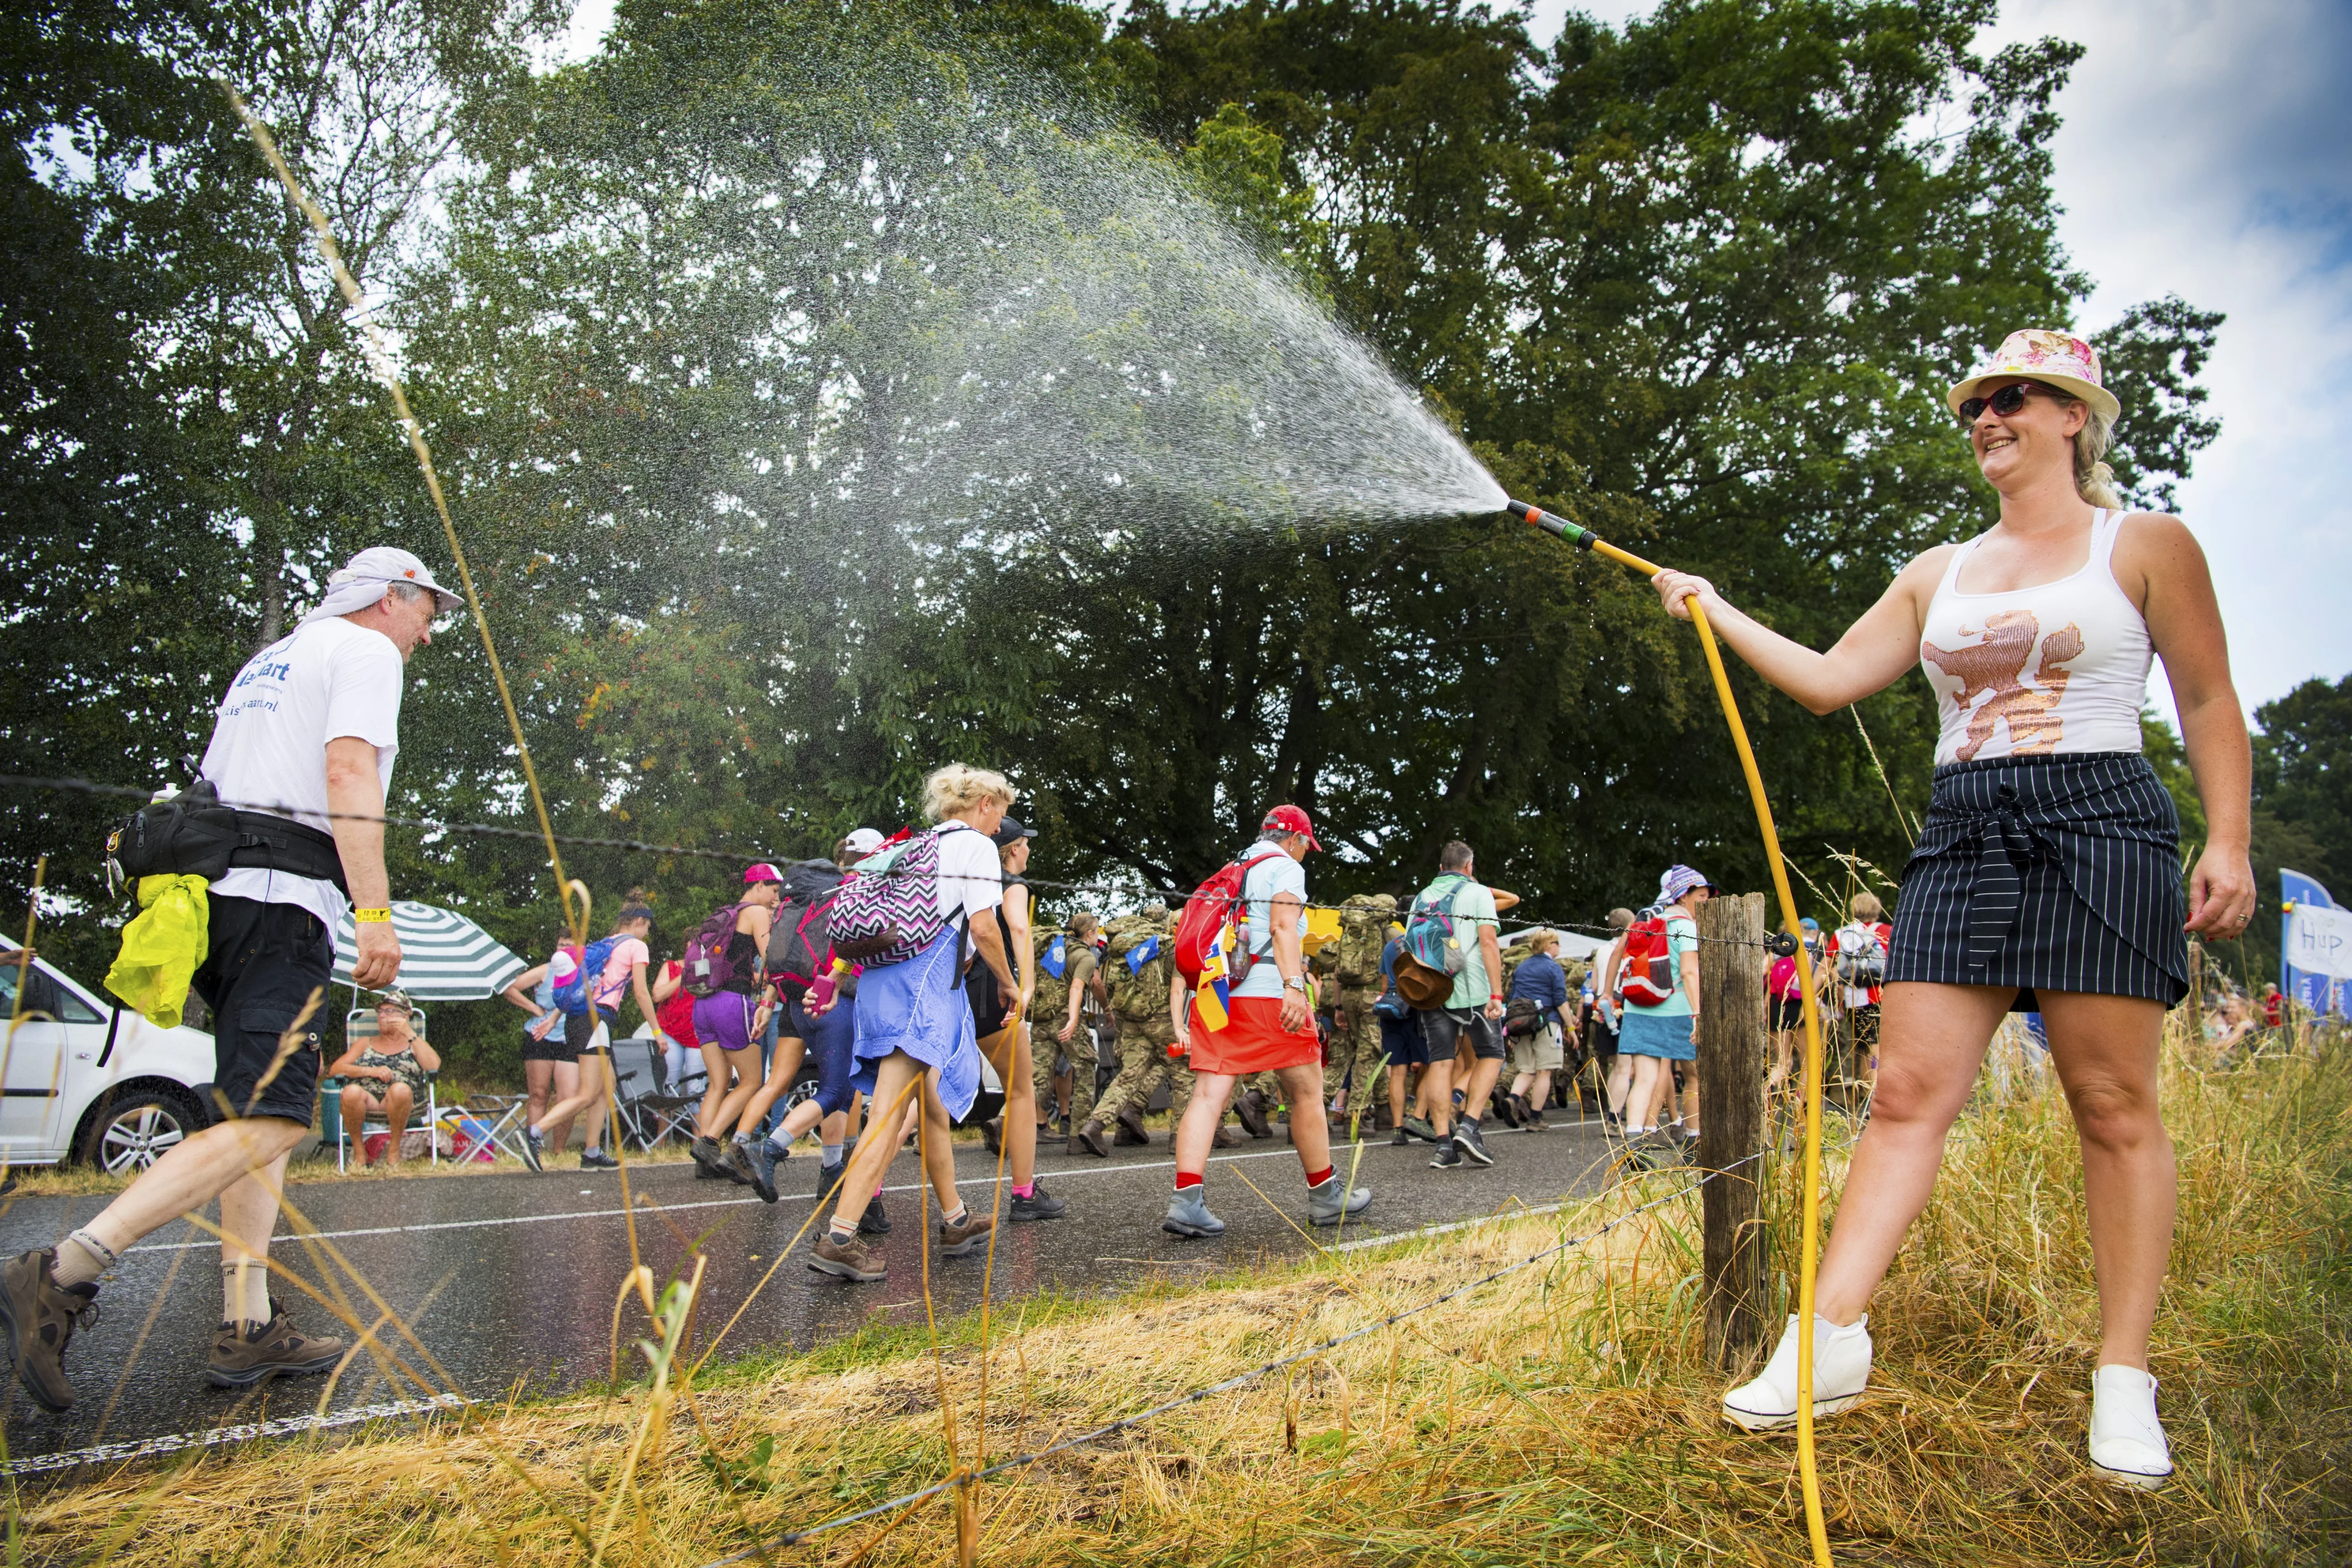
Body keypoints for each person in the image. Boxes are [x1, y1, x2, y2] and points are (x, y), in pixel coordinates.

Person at [1654, 329, 2253, 1488]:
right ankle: (1825, 1342)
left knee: (2114, 1102)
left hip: (2101, 816)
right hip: (1965, 824)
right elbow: (1831, 680)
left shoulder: (2147, 544)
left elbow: (2210, 693)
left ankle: (2123, 1378)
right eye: (1975, 403)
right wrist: (1715, 606)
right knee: (1905, 1093)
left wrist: (2227, 838)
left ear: (2074, 415)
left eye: (2013, 398)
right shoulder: (1939, 569)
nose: (1986, 416)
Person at [3, 546, 455, 1408]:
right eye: (427, 613)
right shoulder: (362, 651)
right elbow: (348, 773)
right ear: (392, 597)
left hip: (219, 900)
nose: (426, 635)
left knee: (259, 1112)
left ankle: (247, 1327)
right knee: (278, 1120)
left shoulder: (271, 658)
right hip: (285, 901)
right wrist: (374, 912)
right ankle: (60, 1272)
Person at [809, 766, 1018, 1283]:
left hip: (884, 982)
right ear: (984, 804)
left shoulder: (920, 845)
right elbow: (985, 928)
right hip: (923, 988)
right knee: (885, 1115)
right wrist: (1010, 982)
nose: (1001, 828)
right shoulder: (974, 846)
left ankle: (956, 1221)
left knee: (932, 1110)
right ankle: (839, 1237)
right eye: (1002, 814)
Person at [1163, 806, 1370, 1237]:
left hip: (1218, 994)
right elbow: (1282, 927)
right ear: (1294, 840)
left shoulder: (1235, 866)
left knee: (1206, 1097)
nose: (1305, 855)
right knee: (1308, 1094)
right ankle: (1326, 1195)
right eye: (1305, 847)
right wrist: (1295, 985)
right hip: (1268, 995)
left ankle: (1186, 1202)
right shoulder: (1286, 869)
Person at [971, 816, 1064, 1221]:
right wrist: (1024, 987)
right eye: (1026, 843)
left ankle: (869, 1193)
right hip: (992, 994)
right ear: (1012, 849)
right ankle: (1024, 1196)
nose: (1030, 850)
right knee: (1022, 1093)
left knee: (918, 1095)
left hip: (955, 993)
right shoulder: (1012, 885)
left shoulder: (967, 882)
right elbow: (1020, 930)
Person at [524, 905, 656, 1172]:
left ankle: (592, 1152)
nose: (646, 934)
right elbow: (642, 993)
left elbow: (579, 988)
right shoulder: (636, 947)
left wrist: (552, 1020)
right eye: (647, 928)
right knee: (586, 1093)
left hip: (580, 1019)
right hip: (596, 1021)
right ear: (640, 922)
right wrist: (657, 1031)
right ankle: (535, 1133)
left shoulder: (604, 945)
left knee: (605, 1087)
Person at [1410, 842, 1506, 1170]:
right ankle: (1469, 1126)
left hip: (1434, 989)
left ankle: (1442, 1145)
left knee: (1440, 1062)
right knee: (1492, 1054)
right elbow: (1489, 942)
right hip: (1473, 989)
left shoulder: (1423, 896)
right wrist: (1497, 993)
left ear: (1440, 867)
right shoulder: (1477, 892)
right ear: (1469, 866)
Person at [688, 867, 783, 1183]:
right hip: (732, 1003)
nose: (776, 898)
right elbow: (773, 956)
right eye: (773, 890)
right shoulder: (756, 912)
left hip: (703, 1004)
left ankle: (706, 1161)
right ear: (758, 886)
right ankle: (711, 1141)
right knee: (752, 1081)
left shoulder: (725, 913)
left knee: (718, 1083)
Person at [1618, 869, 1713, 1148]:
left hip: (1639, 1008)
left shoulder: (1649, 922)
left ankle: (1635, 1140)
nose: (1706, 903)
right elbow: (1689, 972)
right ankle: (1695, 1142)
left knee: (1644, 1078)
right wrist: (1698, 1014)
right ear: (1683, 897)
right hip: (1677, 1012)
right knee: (1694, 1077)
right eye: (1702, 896)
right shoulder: (1686, 927)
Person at [328, 989, 440, 1167]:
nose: (382, 1016)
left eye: (389, 1011)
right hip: (368, 1100)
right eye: (380, 1011)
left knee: (400, 1089)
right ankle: (359, 1151)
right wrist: (369, 1071)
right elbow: (335, 1069)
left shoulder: (414, 1044)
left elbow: (433, 1066)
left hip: (404, 1101)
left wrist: (409, 1033)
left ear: (404, 1016)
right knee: (350, 1092)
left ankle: (394, 1149)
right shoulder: (365, 1042)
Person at [1035, 913, 1104, 1152]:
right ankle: (1077, 1137)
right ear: (1090, 934)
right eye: (1097, 931)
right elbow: (1077, 987)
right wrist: (1074, 1018)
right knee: (1086, 1069)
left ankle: (1004, 1124)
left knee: (1037, 1077)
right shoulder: (1085, 956)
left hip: (1042, 1018)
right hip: (1065, 1019)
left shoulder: (1055, 947)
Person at [1328, 894, 1396, 1133]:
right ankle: (1354, 1115)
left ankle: (1385, 1110)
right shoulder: (1387, 933)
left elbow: (1338, 972)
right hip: (1374, 997)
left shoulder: (1349, 932)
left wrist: (1339, 1008)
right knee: (1369, 1054)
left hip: (1348, 995)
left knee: (1369, 1051)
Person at [501, 952, 581, 1156]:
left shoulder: (585, 971)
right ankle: (533, 1150)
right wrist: (534, 1008)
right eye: (561, 945)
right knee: (538, 1094)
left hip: (570, 1038)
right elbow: (508, 987)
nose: (564, 950)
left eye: (570, 946)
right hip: (539, 1036)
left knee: (567, 1097)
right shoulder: (546, 970)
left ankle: (559, 1151)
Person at [1501, 930, 1573, 1129]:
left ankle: (1513, 1098)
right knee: (1544, 1072)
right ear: (1547, 945)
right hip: (1546, 1022)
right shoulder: (1554, 968)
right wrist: (1572, 1027)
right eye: (1557, 943)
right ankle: (1535, 1118)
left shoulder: (1521, 968)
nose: (1559, 946)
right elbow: (1561, 1001)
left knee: (1526, 1070)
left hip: (1521, 1023)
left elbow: (1513, 996)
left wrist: (1509, 1030)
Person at [1832, 892, 1892, 1093]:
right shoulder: (1888, 931)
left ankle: (1867, 1092)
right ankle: (1876, 1095)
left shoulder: (1842, 933)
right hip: (1882, 995)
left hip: (1853, 998)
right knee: (1878, 1046)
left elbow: (1830, 968)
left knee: (1865, 1047)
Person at [1376, 919, 1428, 1144]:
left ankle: (1398, 1128)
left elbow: (1384, 985)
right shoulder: (1422, 943)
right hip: (1416, 1009)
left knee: (1397, 1071)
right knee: (1433, 1064)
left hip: (1392, 1010)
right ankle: (1418, 1116)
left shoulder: (1391, 946)